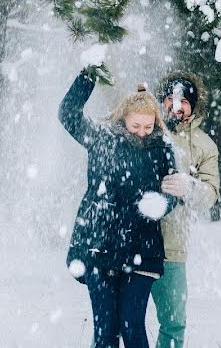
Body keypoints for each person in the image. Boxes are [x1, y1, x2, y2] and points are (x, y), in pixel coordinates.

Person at [58, 65, 177, 348]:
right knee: (106, 331)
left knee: (132, 325)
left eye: (148, 127)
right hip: (100, 244)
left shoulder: (163, 148)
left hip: (143, 248)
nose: (141, 133)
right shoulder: (102, 139)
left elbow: (174, 191)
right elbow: (68, 115)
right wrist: (88, 74)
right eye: (136, 126)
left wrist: (164, 203)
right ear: (123, 118)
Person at [152, 72, 220, 348]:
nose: (176, 106)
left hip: (172, 248)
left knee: (173, 322)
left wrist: (190, 186)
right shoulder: (146, 127)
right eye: (170, 99)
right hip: (131, 242)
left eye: (183, 101)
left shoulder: (205, 146)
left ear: (193, 106)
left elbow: (211, 196)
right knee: (123, 320)